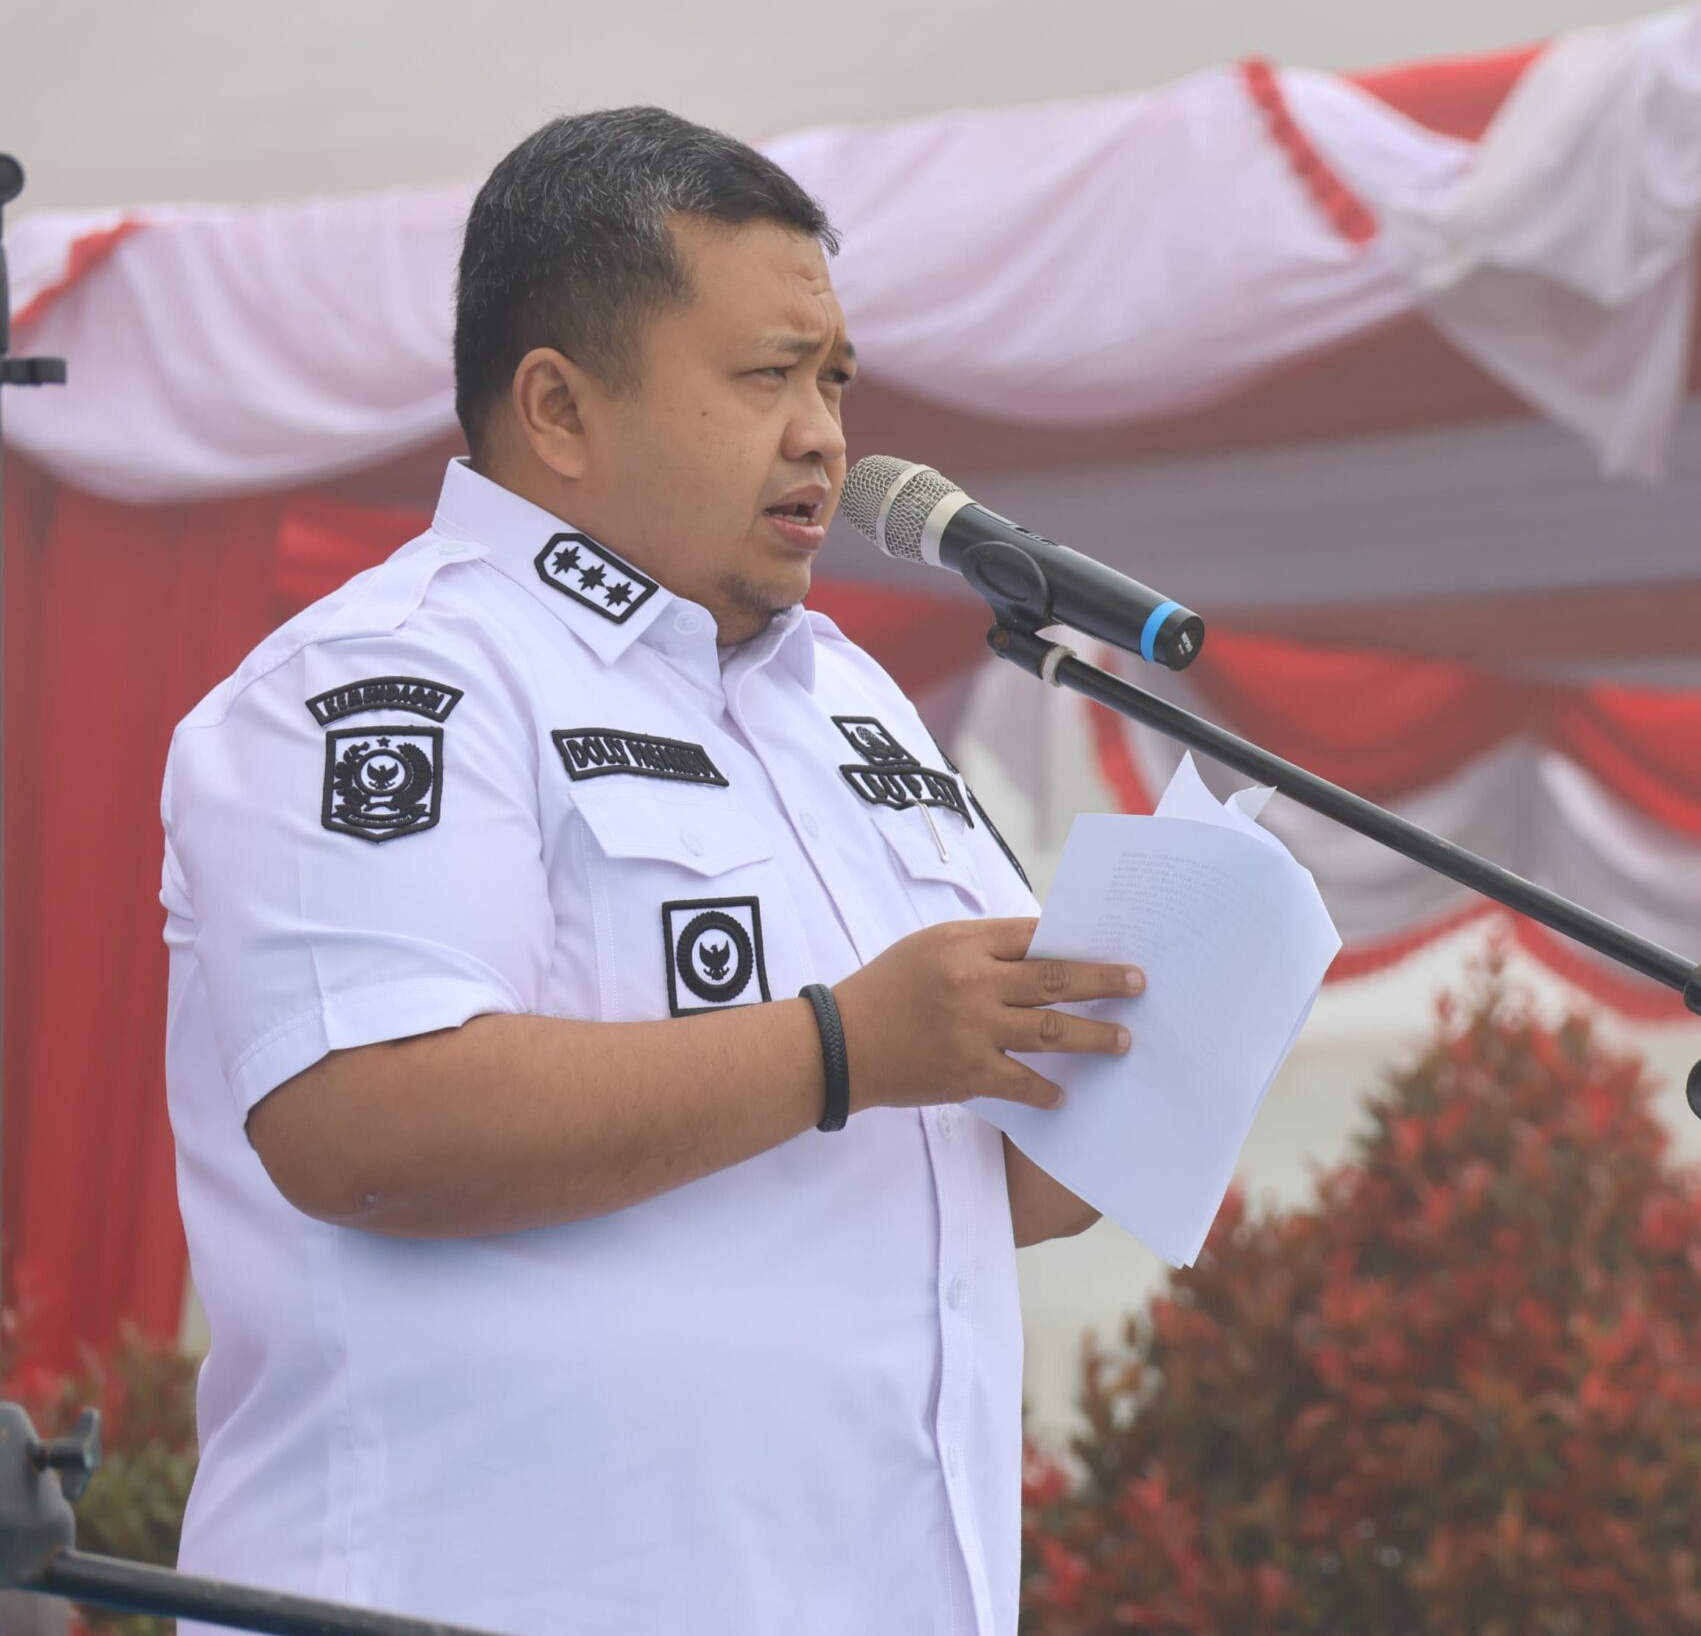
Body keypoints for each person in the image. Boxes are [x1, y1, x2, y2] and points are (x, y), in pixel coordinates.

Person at [158, 106, 1129, 1636]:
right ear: (559, 408)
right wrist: (841, 1043)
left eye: (834, 379)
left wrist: (1136, 1082)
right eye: (767, 376)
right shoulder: (388, 678)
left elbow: (956, 1178)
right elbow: (368, 1125)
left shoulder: (849, 701)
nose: (825, 435)